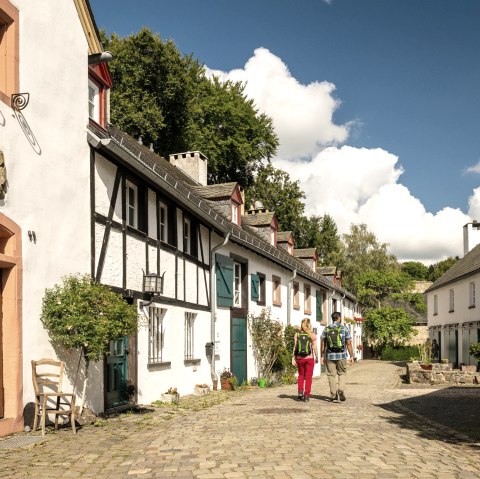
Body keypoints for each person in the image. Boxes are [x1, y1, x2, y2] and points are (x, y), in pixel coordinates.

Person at [320, 312, 354, 402]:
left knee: (331, 375)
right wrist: (351, 356)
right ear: (339, 318)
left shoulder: (326, 329)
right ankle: (341, 390)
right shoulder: (344, 328)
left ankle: (333, 395)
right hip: (342, 355)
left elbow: (323, 343)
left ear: (332, 318)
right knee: (342, 373)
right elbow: (349, 343)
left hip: (329, 356)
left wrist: (322, 356)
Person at [292, 318, 319, 402]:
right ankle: (306, 395)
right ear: (309, 325)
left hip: (300, 358)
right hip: (309, 358)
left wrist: (293, 357)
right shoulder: (312, 335)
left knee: (300, 375)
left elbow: (295, 347)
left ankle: (300, 393)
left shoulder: (297, 334)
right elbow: (314, 347)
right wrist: (317, 357)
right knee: (308, 377)